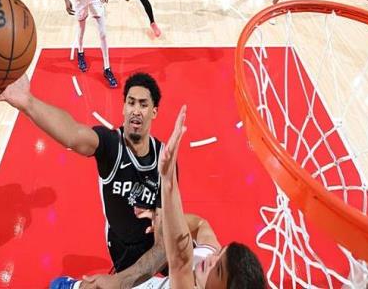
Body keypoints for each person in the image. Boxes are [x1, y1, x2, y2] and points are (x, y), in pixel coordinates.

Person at [0, 72, 167, 285]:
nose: (135, 110)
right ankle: (74, 285)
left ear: (154, 111)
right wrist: (28, 102)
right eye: (131, 102)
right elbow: (73, 133)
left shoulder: (164, 158)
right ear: (124, 108)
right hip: (123, 246)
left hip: (154, 242)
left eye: (143, 104)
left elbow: (164, 236)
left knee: (192, 262)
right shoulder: (111, 145)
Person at [51, 107, 266, 289]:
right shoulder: (208, 258)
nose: (212, 259)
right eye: (220, 253)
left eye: (217, 269)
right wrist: (160, 218)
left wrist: (167, 180)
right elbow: (202, 225)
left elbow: (180, 260)